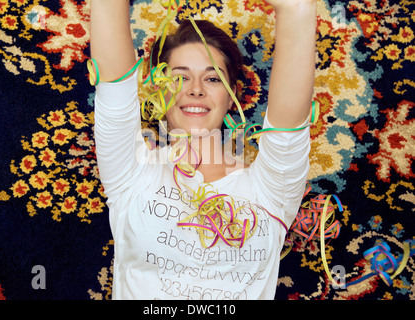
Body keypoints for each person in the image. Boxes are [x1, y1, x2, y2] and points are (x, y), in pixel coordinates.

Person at [90, 0, 317, 300]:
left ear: (232, 94)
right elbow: (114, 86)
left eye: (212, 78)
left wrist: (296, 9)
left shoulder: (270, 192)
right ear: (158, 88)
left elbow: (289, 128)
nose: (195, 88)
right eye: (179, 77)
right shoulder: (132, 173)